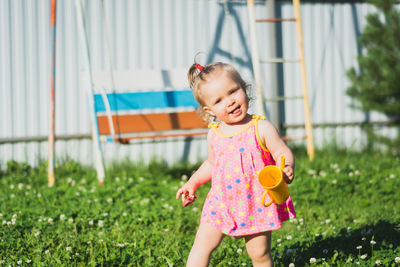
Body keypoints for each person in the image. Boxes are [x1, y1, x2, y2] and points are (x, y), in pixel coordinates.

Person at [176, 61, 296, 267]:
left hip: (255, 202)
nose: (230, 101)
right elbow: (212, 164)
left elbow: (281, 151)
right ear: (210, 110)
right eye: (219, 100)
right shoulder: (214, 134)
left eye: (233, 91)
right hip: (220, 203)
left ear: (244, 88)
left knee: (259, 253)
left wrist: (286, 167)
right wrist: (192, 183)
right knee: (201, 245)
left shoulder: (261, 128)